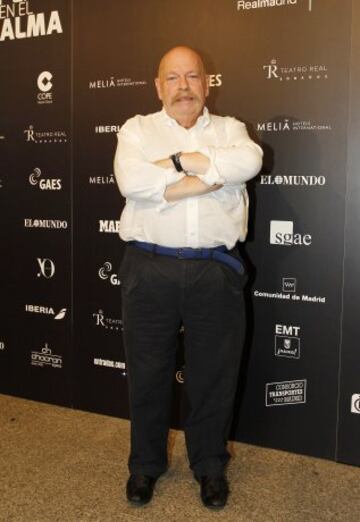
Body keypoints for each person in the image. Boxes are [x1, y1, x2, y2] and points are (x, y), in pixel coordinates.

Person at [114, 45, 263, 509]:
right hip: (148, 267)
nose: (183, 87)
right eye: (173, 78)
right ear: (158, 87)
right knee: (147, 373)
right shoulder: (136, 130)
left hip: (214, 271)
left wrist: (168, 180)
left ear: (206, 83)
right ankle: (145, 466)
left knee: (214, 376)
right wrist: (201, 168)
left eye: (192, 77)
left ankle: (210, 465)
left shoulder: (230, 129)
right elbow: (130, 183)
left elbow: (249, 163)